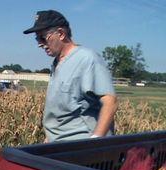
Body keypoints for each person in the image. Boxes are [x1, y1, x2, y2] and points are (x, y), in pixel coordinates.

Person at [23, 10, 117, 142]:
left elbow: (110, 102)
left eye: (43, 38)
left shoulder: (87, 59)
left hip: (79, 147)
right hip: (57, 146)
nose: (39, 43)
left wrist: (95, 141)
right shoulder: (57, 63)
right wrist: (49, 137)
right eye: (37, 38)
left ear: (61, 34)